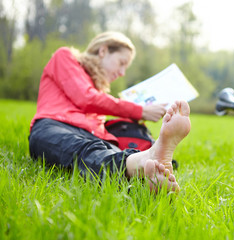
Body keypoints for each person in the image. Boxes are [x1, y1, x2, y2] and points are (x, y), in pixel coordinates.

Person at [28, 31, 191, 192]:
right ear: (103, 51)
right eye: (121, 63)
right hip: (54, 125)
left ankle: (149, 181)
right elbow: (86, 98)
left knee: (106, 153)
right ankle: (148, 160)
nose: (122, 73)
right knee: (84, 150)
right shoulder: (64, 57)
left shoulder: (98, 90)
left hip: (93, 136)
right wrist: (140, 110)